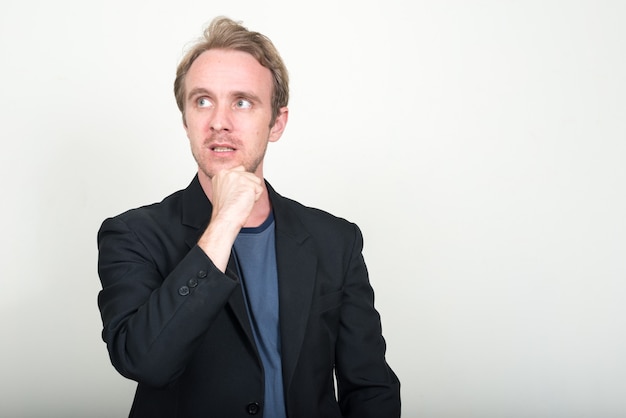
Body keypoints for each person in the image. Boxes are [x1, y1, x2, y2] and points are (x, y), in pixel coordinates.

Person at [97, 16, 401, 418]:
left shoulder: (336, 240)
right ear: (185, 120)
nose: (219, 122)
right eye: (202, 100)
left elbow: (370, 387)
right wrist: (223, 221)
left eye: (242, 102)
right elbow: (145, 361)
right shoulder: (133, 235)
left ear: (276, 123)